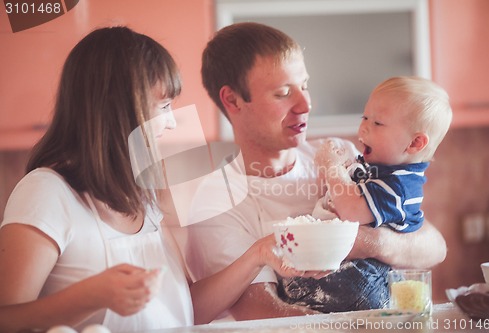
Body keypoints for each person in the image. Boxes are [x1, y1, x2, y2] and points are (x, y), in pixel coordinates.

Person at [0, 26, 321, 333]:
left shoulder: (142, 199)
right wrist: (90, 296)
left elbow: (187, 310)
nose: (170, 122)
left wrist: (257, 255)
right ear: (118, 109)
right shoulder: (46, 192)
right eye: (164, 106)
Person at [184, 22, 447, 318]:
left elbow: (433, 247)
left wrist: (364, 242)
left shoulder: (339, 154)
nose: (306, 104)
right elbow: (259, 308)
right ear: (232, 100)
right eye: (283, 93)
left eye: (305, 86)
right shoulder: (215, 202)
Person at [313, 76, 453, 232]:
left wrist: (332, 167)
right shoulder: (375, 169)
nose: (363, 127)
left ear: (414, 143)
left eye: (377, 123)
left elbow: (351, 212)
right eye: (364, 117)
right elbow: (331, 195)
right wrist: (339, 170)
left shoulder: (399, 187)